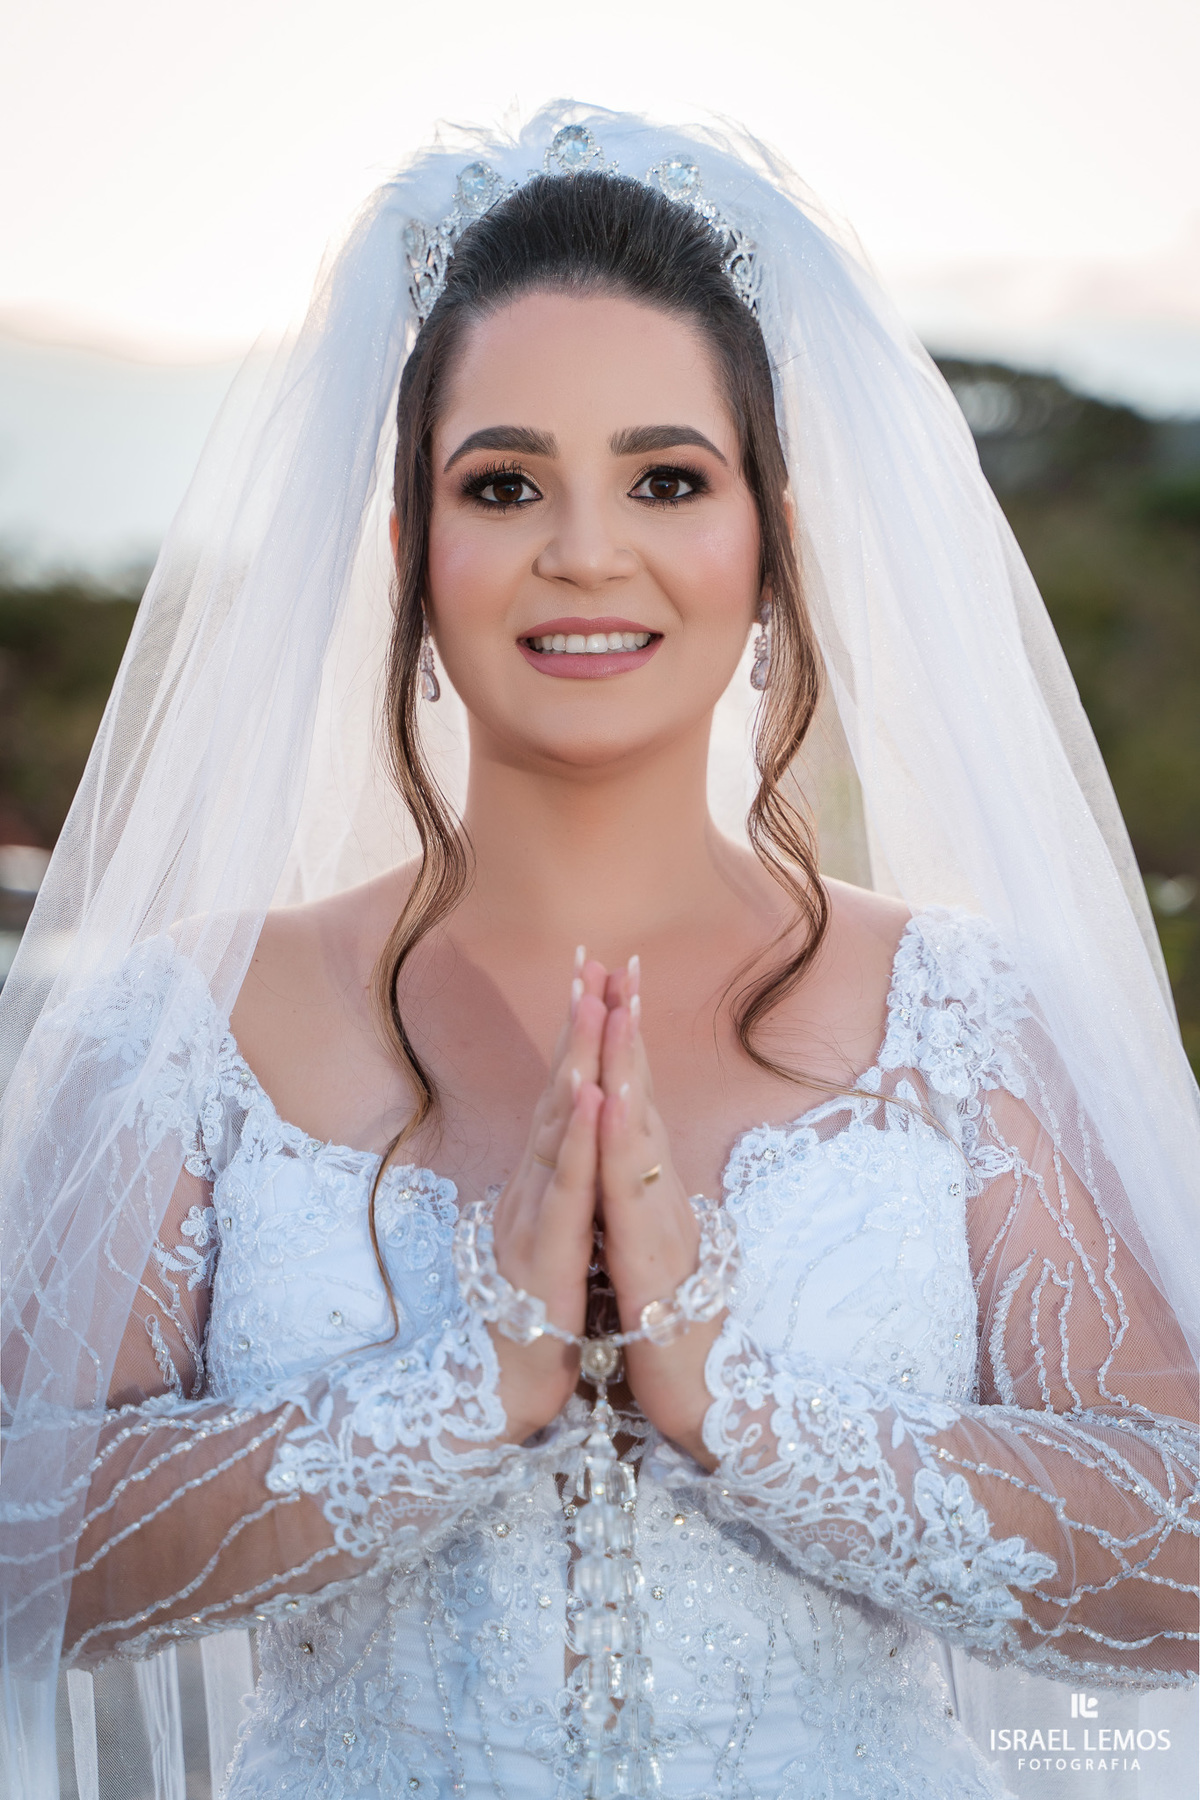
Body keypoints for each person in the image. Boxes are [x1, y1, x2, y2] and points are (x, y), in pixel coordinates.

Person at [1, 106, 1197, 1800]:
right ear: (410, 554)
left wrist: (738, 1410)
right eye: (504, 484)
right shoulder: (190, 1026)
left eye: (666, 479)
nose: (584, 548)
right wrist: (460, 1394)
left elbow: (1180, 1557)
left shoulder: (967, 1019)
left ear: (770, 543)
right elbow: (19, 1550)